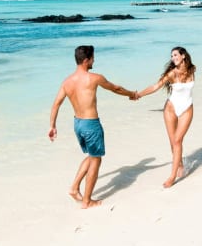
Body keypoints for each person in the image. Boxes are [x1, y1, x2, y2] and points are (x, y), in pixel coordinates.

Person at [48, 45, 136, 209]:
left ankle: (74, 188)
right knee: (96, 159)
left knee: (91, 156)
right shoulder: (94, 78)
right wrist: (132, 94)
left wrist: (52, 126)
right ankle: (87, 201)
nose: (94, 61)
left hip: (78, 124)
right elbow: (115, 88)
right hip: (91, 124)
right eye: (93, 58)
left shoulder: (67, 82)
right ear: (86, 60)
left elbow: (56, 104)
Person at [134, 46, 196, 188]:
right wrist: (138, 94)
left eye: (175, 55)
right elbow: (155, 87)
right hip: (170, 109)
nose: (173, 58)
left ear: (183, 56)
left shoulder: (192, 69)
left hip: (187, 108)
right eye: (172, 56)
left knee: (178, 140)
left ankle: (172, 177)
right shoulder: (172, 74)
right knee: (173, 142)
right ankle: (179, 164)